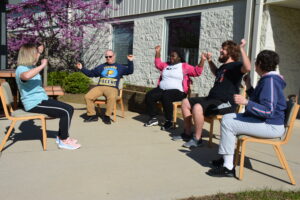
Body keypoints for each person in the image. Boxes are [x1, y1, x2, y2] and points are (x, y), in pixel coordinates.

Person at [207, 50, 286, 177]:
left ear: (260, 63)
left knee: (228, 123)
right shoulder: (268, 79)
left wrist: (246, 102)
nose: (254, 65)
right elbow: (260, 100)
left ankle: (228, 167)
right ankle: (227, 158)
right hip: (266, 122)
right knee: (228, 117)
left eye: (256, 62)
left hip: (271, 126)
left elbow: (268, 110)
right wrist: (248, 86)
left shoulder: (270, 81)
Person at [175, 39, 251, 148]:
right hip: (212, 99)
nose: (220, 50)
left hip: (226, 102)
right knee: (185, 102)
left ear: (231, 52)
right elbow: (217, 73)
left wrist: (242, 49)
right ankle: (187, 133)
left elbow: (247, 67)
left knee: (197, 107)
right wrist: (209, 61)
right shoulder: (224, 67)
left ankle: (197, 139)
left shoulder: (236, 66)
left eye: (223, 49)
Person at [15, 43, 81, 150]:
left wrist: (40, 49)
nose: (38, 55)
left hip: (42, 100)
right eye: (36, 53)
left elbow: (32, 70)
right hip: (33, 104)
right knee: (66, 112)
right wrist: (42, 66)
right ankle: (64, 140)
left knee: (69, 108)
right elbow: (26, 76)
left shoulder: (30, 67)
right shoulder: (21, 69)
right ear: (29, 55)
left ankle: (61, 136)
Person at [144, 45, 204, 130]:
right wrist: (157, 52)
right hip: (162, 89)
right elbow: (158, 64)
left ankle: (169, 121)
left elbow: (196, 72)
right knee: (150, 95)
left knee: (166, 96)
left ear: (179, 58)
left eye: (173, 56)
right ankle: (153, 118)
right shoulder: (166, 65)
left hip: (178, 92)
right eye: (170, 56)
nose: (171, 57)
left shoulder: (184, 66)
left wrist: (203, 60)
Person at [76, 50, 134, 124]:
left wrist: (130, 61)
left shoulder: (120, 67)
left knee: (112, 97)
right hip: (100, 87)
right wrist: (81, 68)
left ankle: (107, 116)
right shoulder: (101, 67)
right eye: (106, 57)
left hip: (112, 87)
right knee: (88, 96)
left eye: (110, 56)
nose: (108, 58)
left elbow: (130, 71)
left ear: (114, 56)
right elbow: (91, 74)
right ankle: (92, 115)